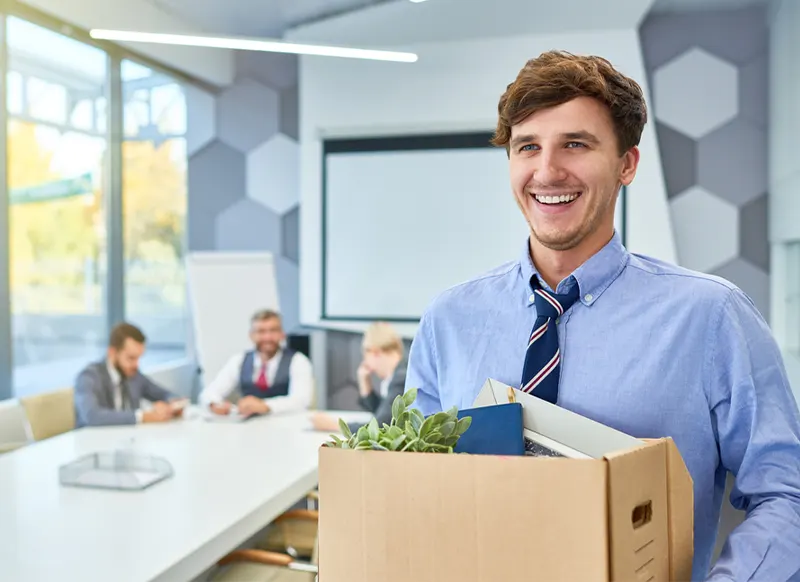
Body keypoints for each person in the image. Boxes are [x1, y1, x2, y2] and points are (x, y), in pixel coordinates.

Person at [405, 50, 800, 581]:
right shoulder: (448, 321)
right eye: (528, 147)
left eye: (575, 144)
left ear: (626, 164)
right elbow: (415, 486)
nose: (547, 171)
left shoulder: (711, 317)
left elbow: (785, 492)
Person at [199, 309, 314, 416]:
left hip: (286, 426)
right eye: (261, 331)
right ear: (251, 335)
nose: (267, 337)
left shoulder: (298, 361)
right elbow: (209, 393)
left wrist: (265, 406)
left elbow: (301, 400)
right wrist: (214, 404)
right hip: (247, 427)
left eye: (273, 331)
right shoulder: (239, 360)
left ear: (282, 334)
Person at [74, 322, 184, 427]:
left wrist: (172, 406)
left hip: (128, 441)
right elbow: (93, 416)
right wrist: (142, 416)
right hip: (92, 442)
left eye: (138, 358)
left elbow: (166, 394)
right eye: (131, 358)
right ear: (112, 352)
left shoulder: (134, 375)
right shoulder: (88, 377)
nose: (136, 365)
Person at [312, 322, 407, 434]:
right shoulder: (399, 373)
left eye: (366, 357)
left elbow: (381, 426)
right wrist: (365, 384)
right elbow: (385, 413)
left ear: (375, 352)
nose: (366, 363)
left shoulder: (400, 378)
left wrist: (336, 425)